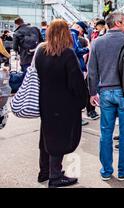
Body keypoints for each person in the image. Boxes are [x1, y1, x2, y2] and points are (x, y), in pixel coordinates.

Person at [88, 12, 124, 182]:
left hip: (105, 92)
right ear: (118, 23)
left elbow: (92, 71)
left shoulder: (97, 42)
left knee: (105, 133)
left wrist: (92, 92)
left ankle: (106, 170)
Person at [34, 19, 88, 188]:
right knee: (60, 139)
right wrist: (83, 101)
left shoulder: (41, 51)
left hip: (45, 101)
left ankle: (44, 172)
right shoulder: (67, 53)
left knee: (46, 137)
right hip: (64, 104)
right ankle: (55, 176)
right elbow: (77, 83)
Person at [70, 21, 90, 127]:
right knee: (77, 94)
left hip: (74, 67)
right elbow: (76, 51)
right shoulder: (73, 34)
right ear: (78, 27)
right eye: (82, 30)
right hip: (77, 67)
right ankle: (77, 118)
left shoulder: (70, 34)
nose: (82, 33)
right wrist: (88, 49)